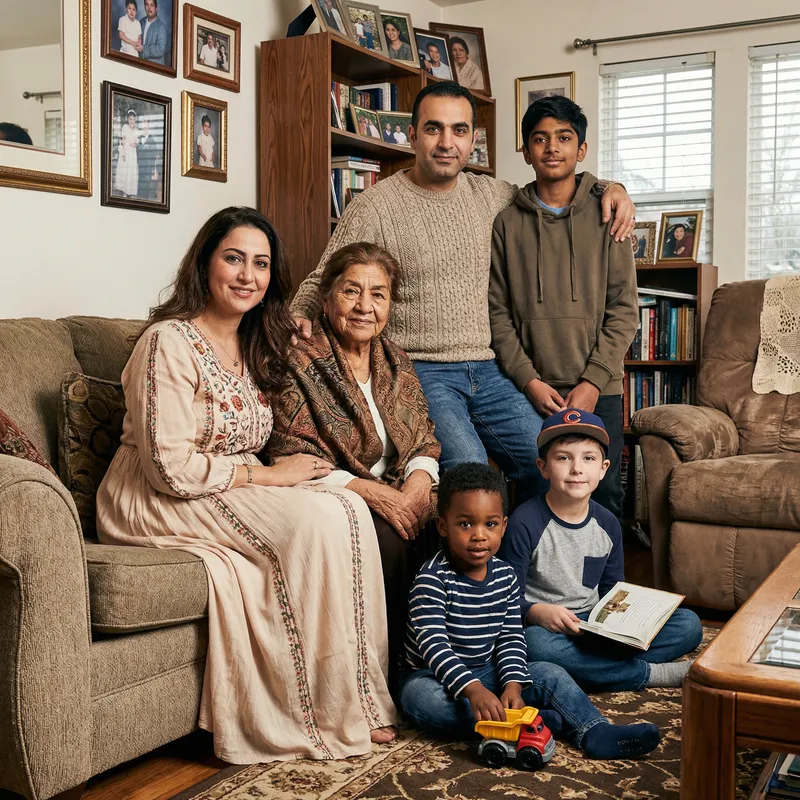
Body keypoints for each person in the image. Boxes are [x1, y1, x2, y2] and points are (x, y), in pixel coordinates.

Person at [96, 207, 397, 764]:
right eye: (233, 258)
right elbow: (169, 468)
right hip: (156, 496)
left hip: (225, 484)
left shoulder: (257, 341)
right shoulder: (169, 342)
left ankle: (357, 699)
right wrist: (267, 476)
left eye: (260, 264)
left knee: (348, 509)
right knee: (318, 520)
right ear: (205, 262)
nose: (246, 276)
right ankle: (314, 712)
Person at [292, 81, 636, 491]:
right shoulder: (376, 206)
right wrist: (298, 315)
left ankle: (520, 554)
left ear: (473, 139)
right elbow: (326, 275)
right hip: (421, 369)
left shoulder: (491, 195)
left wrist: (612, 189)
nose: (446, 142)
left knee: (550, 462)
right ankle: (470, 557)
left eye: (458, 130)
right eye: (434, 128)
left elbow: (558, 187)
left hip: (491, 370)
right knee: (470, 469)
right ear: (413, 134)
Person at [400, 463, 661, 759]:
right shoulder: (432, 580)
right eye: (465, 524)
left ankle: (593, 729)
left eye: (490, 524)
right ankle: (526, 725)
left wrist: (512, 683)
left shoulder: (505, 576)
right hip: (433, 677)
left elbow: (510, 636)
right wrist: (473, 690)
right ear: (442, 526)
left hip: (487, 671)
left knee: (550, 673)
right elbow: (434, 647)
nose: (479, 536)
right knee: (421, 700)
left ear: (504, 525)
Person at [269, 241, 440, 682]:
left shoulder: (395, 359)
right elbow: (292, 449)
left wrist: (419, 485)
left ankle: (468, 659)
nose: (365, 306)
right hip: (332, 493)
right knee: (391, 538)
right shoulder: (298, 357)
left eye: (378, 294)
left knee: (468, 516)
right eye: (351, 292)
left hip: (400, 488)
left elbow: (422, 434)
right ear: (325, 298)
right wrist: (375, 493)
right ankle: (391, 675)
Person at [488, 96, 638, 520]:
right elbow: (497, 313)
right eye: (540, 139)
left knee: (602, 493)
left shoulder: (609, 213)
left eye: (564, 138)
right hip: (532, 390)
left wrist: (593, 381)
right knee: (539, 494)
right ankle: (541, 587)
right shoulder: (507, 222)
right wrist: (528, 380)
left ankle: (607, 587)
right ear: (525, 150)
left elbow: (624, 309)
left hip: (600, 387)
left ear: (582, 150)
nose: (552, 147)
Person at [498, 410, 703, 691]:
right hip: (549, 629)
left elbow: (612, 592)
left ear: (604, 468)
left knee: (688, 625)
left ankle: (590, 669)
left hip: (595, 626)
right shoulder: (525, 522)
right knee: (536, 647)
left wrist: (632, 620)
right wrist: (535, 612)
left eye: (588, 458)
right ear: (543, 467)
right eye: (563, 458)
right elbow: (505, 601)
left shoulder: (607, 523)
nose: (576, 468)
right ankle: (644, 674)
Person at [114, 110, 139, 198]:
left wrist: (135, 143)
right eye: (130, 119)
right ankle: (124, 192)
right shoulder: (125, 128)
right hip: (127, 151)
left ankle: (130, 191)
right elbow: (123, 141)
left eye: (133, 119)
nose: (132, 121)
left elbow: (137, 140)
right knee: (125, 171)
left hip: (133, 154)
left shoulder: (136, 130)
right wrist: (124, 152)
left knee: (131, 171)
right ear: (128, 120)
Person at [137, 118, 160, 201]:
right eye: (143, 128)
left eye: (145, 128)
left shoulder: (152, 141)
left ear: (148, 128)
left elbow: (153, 158)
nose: (144, 130)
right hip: (139, 170)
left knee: (145, 194)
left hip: (147, 170)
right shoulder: (138, 139)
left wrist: (153, 170)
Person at [139, 0, 169, 64]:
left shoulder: (161, 27)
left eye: (152, 5)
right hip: (140, 64)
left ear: (156, 8)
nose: (149, 8)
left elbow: (160, 50)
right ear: (144, 6)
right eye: (147, 4)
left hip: (155, 68)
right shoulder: (141, 22)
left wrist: (143, 49)